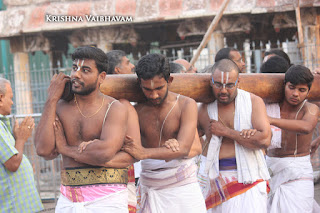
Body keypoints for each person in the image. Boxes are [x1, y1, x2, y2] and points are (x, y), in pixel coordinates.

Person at [35, 46, 138, 212]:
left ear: (101, 77)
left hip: (108, 198)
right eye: (75, 68)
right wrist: (51, 99)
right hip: (68, 198)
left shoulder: (113, 107)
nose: (76, 74)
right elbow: (43, 150)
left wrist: (65, 149)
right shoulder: (60, 107)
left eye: (85, 70)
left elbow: (103, 153)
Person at [121, 53, 206, 213]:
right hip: (150, 185)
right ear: (139, 83)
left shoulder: (186, 104)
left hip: (184, 188)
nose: (153, 95)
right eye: (147, 89)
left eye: (159, 88)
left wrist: (144, 153)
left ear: (170, 81)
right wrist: (167, 151)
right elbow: (130, 148)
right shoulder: (135, 110)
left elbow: (184, 148)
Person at [197, 59, 271, 212]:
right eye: (218, 84)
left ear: (239, 81)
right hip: (215, 181)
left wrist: (226, 132)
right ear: (211, 82)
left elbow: (264, 140)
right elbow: (191, 138)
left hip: (249, 180)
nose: (223, 90)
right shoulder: (203, 109)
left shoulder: (253, 102)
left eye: (229, 85)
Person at [266, 65, 319, 213]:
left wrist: (271, 120)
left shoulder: (310, 109)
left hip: (299, 172)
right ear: (284, 85)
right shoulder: (269, 106)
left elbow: (306, 127)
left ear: (309, 91)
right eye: (291, 87)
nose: (295, 94)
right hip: (271, 169)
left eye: (302, 90)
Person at [0, 78, 43, 213]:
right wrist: (21, 138)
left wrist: (17, 138)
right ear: (1, 99)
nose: (12, 102)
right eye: (10, 98)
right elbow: (13, 163)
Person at [106, 49, 138, 213]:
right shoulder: (121, 105)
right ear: (117, 70)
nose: (132, 66)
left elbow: (133, 147)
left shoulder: (123, 104)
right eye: (127, 62)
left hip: (120, 171)